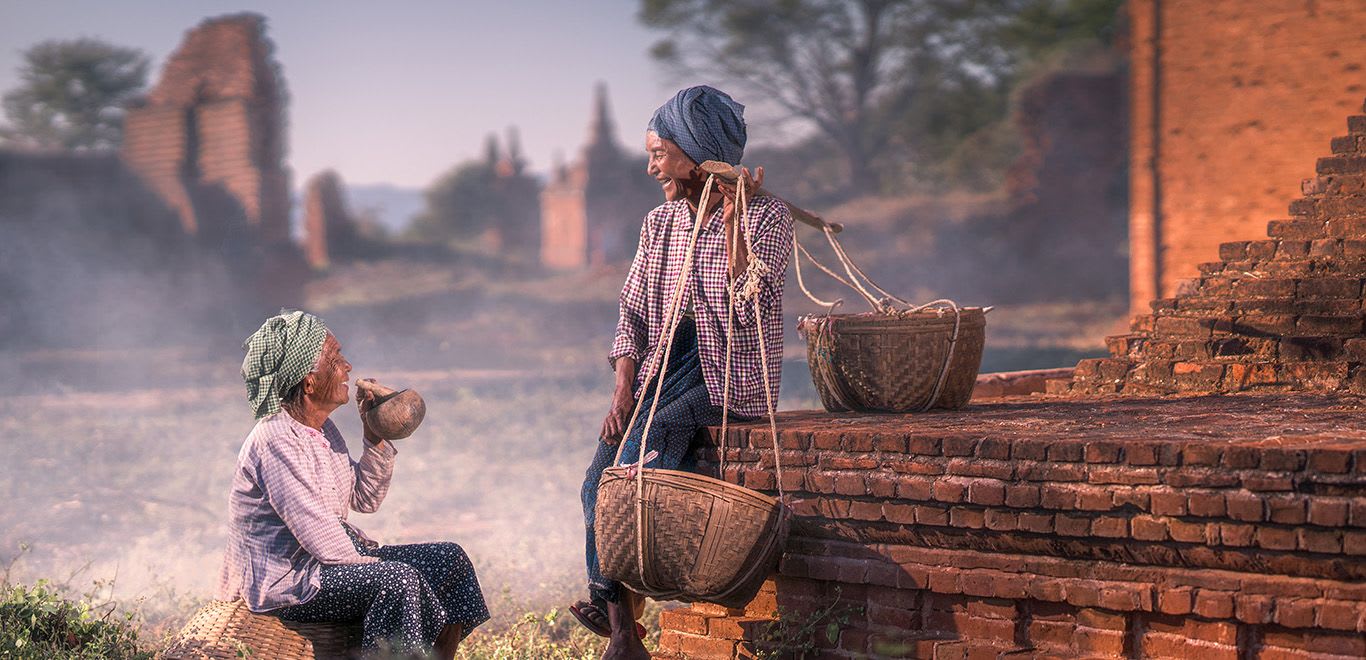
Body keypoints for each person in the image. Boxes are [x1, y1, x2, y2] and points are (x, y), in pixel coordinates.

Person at [573, 86, 794, 660]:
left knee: (638, 469)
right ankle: (616, 620)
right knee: (597, 478)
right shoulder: (659, 224)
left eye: (660, 155)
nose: (652, 169)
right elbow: (634, 312)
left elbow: (749, 308)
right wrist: (623, 388)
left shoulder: (766, 217)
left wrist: (734, 222)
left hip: (723, 376)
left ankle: (622, 625)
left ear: (699, 158)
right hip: (660, 370)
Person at [217, 310, 488, 658]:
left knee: (449, 559)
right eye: (334, 359)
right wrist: (380, 567)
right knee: (397, 580)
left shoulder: (323, 430)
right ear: (309, 381)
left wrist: (373, 433)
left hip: (327, 562)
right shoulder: (275, 439)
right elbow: (319, 535)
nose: (347, 367)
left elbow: (364, 498)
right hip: (291, 580)